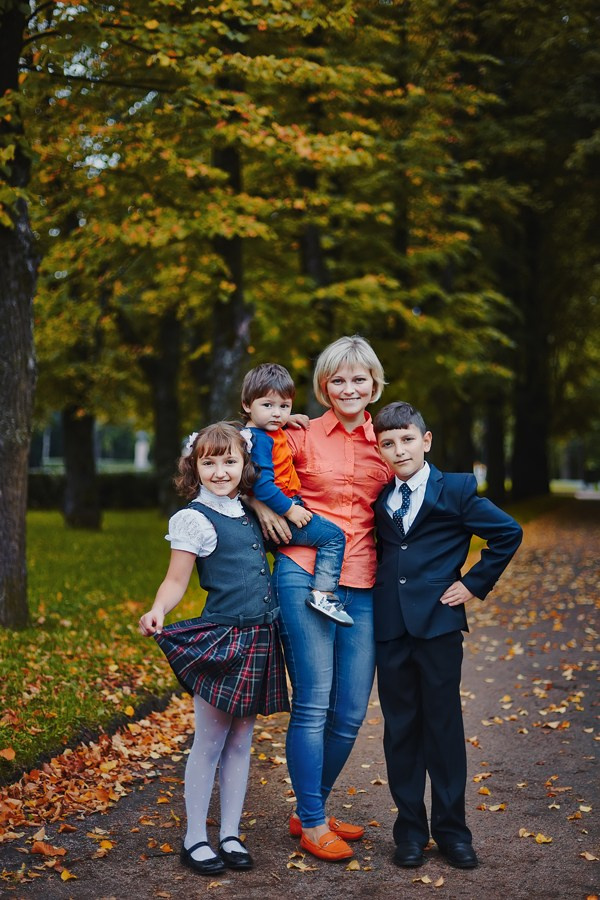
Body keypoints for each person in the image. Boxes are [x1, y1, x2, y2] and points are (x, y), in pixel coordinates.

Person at [250, 335, 391, 862]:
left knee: (351, 710)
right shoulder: (298, 432)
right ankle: (311, 820)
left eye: (359, 379)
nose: (349, 388)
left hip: (365, 583)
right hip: (304, 574)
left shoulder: (389, 440)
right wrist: (262, 508)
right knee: (313, 705)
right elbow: (244, 463)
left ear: (373, 384)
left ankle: (310, 805)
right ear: (323, 386)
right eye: (338, 379)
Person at [372, 401, 523, 870]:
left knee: (442, 726)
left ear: (426, 440)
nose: (399, 450)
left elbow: (507, 533)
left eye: (407, 440)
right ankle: (410, 833)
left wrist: (473, 584)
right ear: (380, 450)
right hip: (391, 627)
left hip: (438, 625)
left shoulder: (454, 490)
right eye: (388, 444)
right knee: (400, 730)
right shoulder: (380, 498)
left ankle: (454, 832)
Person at [138, 422, 289, 876]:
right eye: (210, 462)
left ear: (244, 465)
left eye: (230, 461)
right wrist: (158, 609)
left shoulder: (248, 509)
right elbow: (176, 579)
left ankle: (229, 833)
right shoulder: (194, 518)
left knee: (243, 741)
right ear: (194, 466)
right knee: (210, 740)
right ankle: (194, 839)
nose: (220, 471)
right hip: (222, 640)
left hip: (261, 636)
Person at [241, 362, 350, 625]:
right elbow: (263, 485)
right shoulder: (260, 440)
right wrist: (290, 509)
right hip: (284, 506)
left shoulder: (265, 430)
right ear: (247, 405)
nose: (276, 413)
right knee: (333, 537)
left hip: (284, 504)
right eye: (268, 406)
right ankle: (323, 593)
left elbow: (268, 418)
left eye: (284, 406)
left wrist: (284, 418)